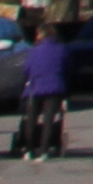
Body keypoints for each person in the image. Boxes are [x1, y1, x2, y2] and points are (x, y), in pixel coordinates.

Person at [15, 13, 71, 160]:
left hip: (35, 88)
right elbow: (67, 68)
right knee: (49, 119)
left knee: (31, 119)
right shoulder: (62, 49)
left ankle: (29, 149)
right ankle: (45, 150)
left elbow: (26, 70)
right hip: (55, 87)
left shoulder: (34, 51)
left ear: (40, 35)